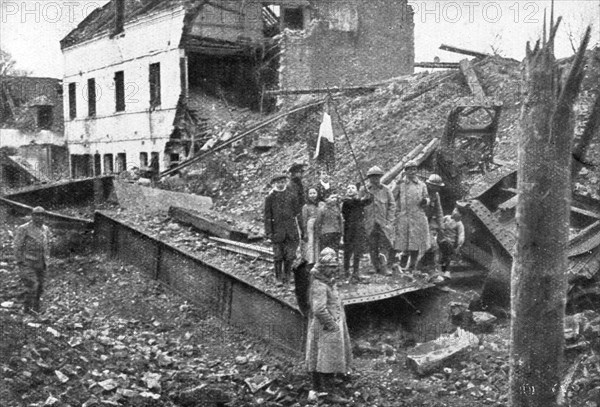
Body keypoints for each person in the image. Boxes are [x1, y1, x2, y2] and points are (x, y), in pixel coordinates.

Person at [305, 248, 352, 404]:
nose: (334, 270)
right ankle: (328, 392)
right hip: (325, 327)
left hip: (329, 324)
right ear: (323, 267)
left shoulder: (327, 280)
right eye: (331, 267)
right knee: (326, 359)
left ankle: (320, 387)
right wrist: (332, 325)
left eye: (335, 266)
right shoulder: (319, 284)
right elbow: (318, 309)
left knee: (322, 357)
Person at [264, 173, 305, 285]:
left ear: (285, 182)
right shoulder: (270, 197)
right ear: (274, 184)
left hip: (291, 230)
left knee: (290, 255)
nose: (280, 184)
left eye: (282, 182)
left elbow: (297, 213)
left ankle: (287, 276)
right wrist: (268, 233)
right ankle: (278, 277)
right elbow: (267, 217)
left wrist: (300, 230)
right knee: (278, 256)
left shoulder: (291, 195)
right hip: (277, 231)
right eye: (278, 182)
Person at [392, 160, 431, 272]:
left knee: (416, 242)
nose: (412, 172)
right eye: (409, 170)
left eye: (414, 169)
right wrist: (396, 212)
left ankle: (412, 266)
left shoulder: (422, 184)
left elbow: (427, 197)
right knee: (404, 241)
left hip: (418, 216)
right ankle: (401, 264)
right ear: (406, 171)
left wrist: (426, 201)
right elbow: (393, 197)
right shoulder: (401, 184)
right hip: (404, 216)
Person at [14, 206, 51, 315]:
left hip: (41, 263)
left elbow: (47, 245)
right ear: (32, 216)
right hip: (28, 263)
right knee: (32, 285)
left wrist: (47, 260)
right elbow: (17, 246)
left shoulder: (46, 229)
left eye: (42, 215)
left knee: (40, 287)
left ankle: (36, 309)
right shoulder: (24, 228)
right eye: (37, 215)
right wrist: (20, 262)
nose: (40, 218)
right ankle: (27, 310)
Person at [363, 166, 395, 276]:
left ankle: (384, 266)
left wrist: (389, 221)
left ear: (380, 177)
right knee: (372, 245)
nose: (375, 179)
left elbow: (392, 205)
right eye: (372, 177)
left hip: (383, 223)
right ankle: (374, 265)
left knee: (384, 245)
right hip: (370, 223)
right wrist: (364, 199)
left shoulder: (386, 190)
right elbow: (359, 205)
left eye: (377, 176)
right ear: (369, 178)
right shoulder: (364, 190)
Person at [341, 183, 372, 282]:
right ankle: (346, 271)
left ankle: (356, 272)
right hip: (349, 228)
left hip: (359, 228)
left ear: (356, 190)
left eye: (352, 188)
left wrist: (369, 194)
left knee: (357, 250)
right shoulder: (346, 201)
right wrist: (364, 198)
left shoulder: (358, 201)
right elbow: (357, 202)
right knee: (348, 250)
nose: (350, 189)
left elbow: (369, 201)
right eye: (348, 188)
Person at [424, 174, 446, 274]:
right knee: (432, 246)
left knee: (433, 245)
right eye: (435, 186)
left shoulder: (436, 195)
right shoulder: (422, 192)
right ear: (429, 185)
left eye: (438, 187)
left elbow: (439, 211)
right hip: (417, 222)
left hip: (428, 221)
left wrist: (441, 227)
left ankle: (432, 269)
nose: (437, 188)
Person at [315, 194, 343, 260]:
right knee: (324, 251)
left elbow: (340, 221)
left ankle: (335, 265)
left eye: (335, 198)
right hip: (325, 233)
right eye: (332, 197)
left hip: (336, 232)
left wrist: (341, 232)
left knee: (335, 251)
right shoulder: (322, 209)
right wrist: (318, 232)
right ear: (327, 199)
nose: (334, 199)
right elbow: (318, 221)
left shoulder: (337, 209)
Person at [438, 207, 465, 274]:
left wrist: (459, 244)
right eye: (455, 209)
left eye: (457, 211)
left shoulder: (459, 224)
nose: (455, 212)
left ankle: (447, 271)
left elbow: (461, 234)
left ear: (460, 214)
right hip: (441, 239)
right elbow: (439, 222)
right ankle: (441, 269)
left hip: (450, 242)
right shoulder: (447, 217)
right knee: (442, 254)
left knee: (447, 254)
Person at [301, 187, 320, 266]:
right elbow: (304, 219)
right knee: (311, 241)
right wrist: (305, 231)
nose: (312, 195)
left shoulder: (320, 205)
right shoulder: (306, 206)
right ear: (308, 195)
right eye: (310, 193)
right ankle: (311, 260)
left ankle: (317, 260)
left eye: (314, 193)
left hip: (319, 224)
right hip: (310, 224)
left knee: (318, 241)